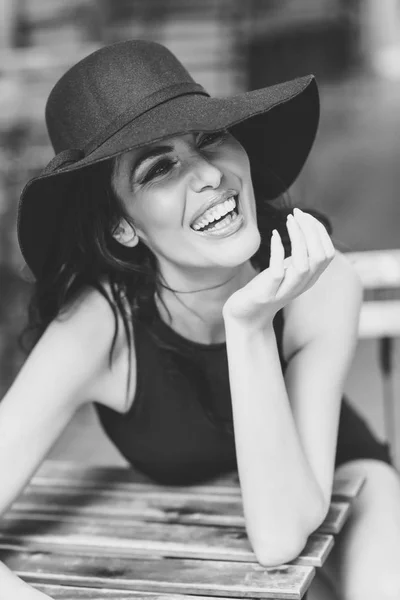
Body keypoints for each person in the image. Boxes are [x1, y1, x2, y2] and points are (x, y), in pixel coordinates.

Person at [0, 39, 399, 600]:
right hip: (189, 527)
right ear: (122, 227)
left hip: (333, 483)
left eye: (210, 138)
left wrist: (250, 326)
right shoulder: (99, 325)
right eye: (159, 169)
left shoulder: (321, 286)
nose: (209, 175)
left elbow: (282, 535)